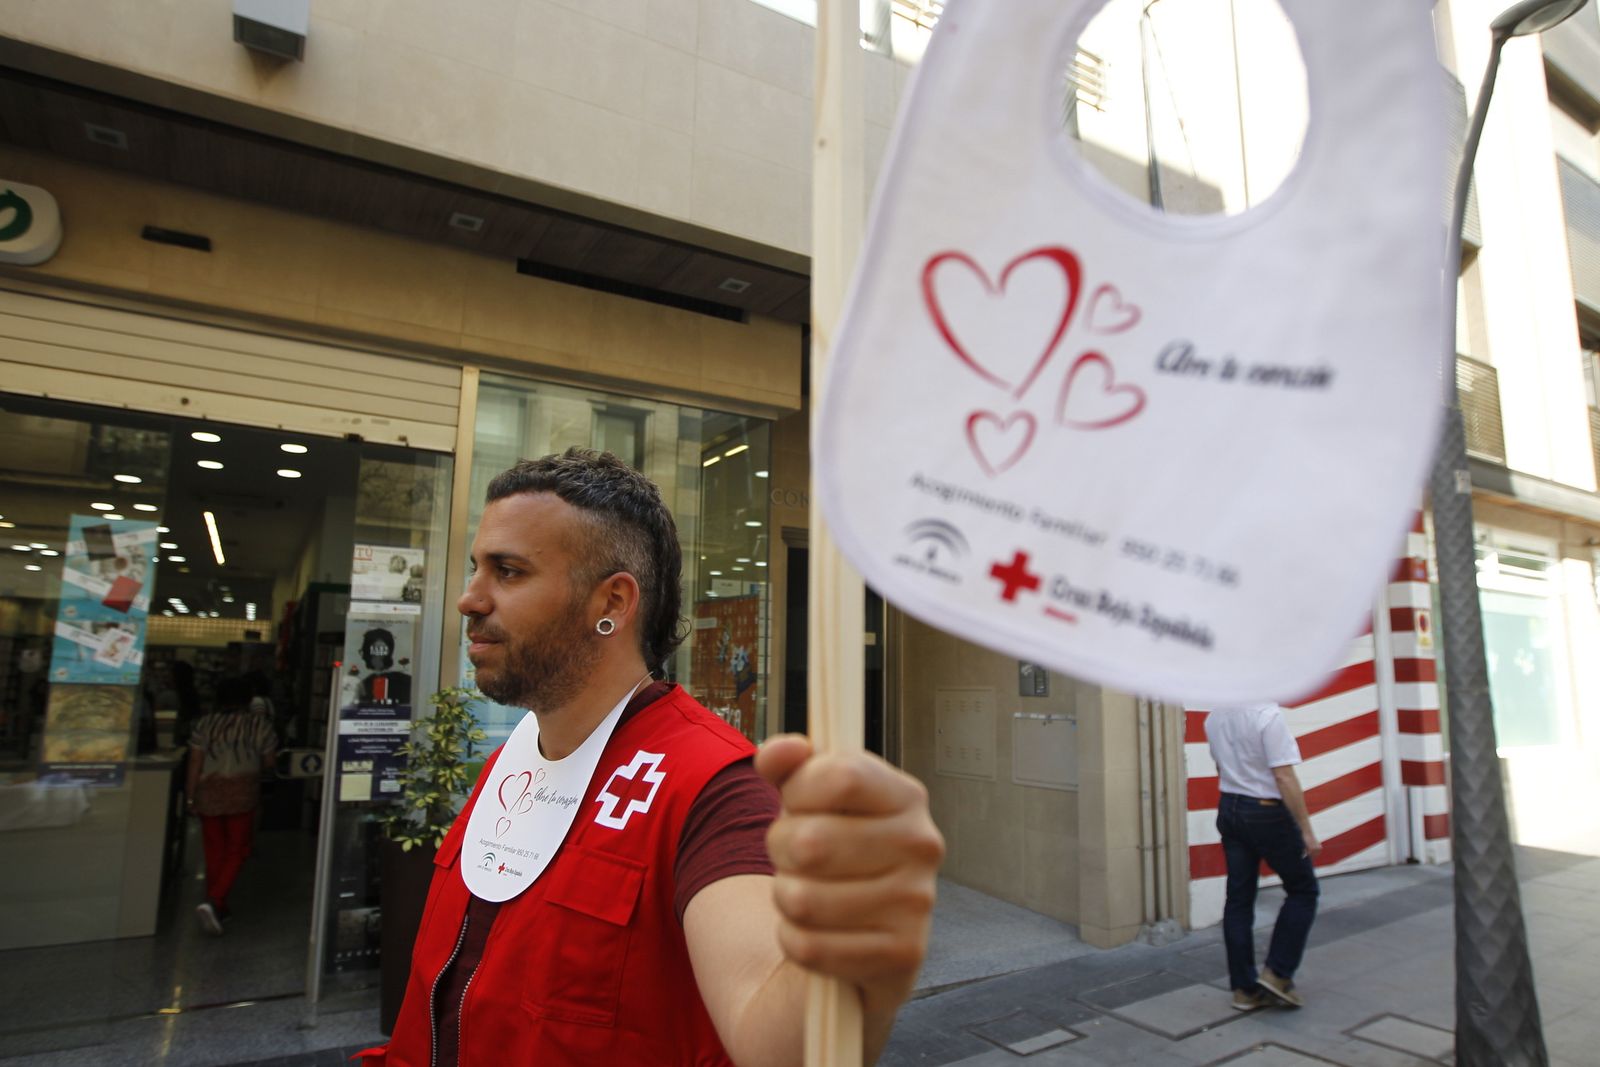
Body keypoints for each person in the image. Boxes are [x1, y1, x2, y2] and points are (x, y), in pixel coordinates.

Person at [361, 449, 944, 1066]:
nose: (470, 599)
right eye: (477, 568)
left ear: (612, 604)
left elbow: (776, 1042)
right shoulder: (507, 766)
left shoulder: (716, 790)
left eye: (508, 572)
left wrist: (850, 951)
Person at [1205, 701, 1321, 1010]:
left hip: (1230, 806)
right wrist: (1306, 829)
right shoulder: (1267, 716)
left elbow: (1220, 767)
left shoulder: (1214, 716)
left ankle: (1244, 990)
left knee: (1239, 899)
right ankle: (1278, 973)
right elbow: (1283, 776)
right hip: (1266, 811)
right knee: (1303, 890)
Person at [187, 676, 279, 935]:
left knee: (214, 848)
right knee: (238, 848)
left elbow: (195, 762)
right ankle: (216, 900)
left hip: (209, 790)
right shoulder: (258, 725)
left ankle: (218, 903)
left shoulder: (205, 724)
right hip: (242, 790)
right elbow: (269, 762)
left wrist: (191, 795)